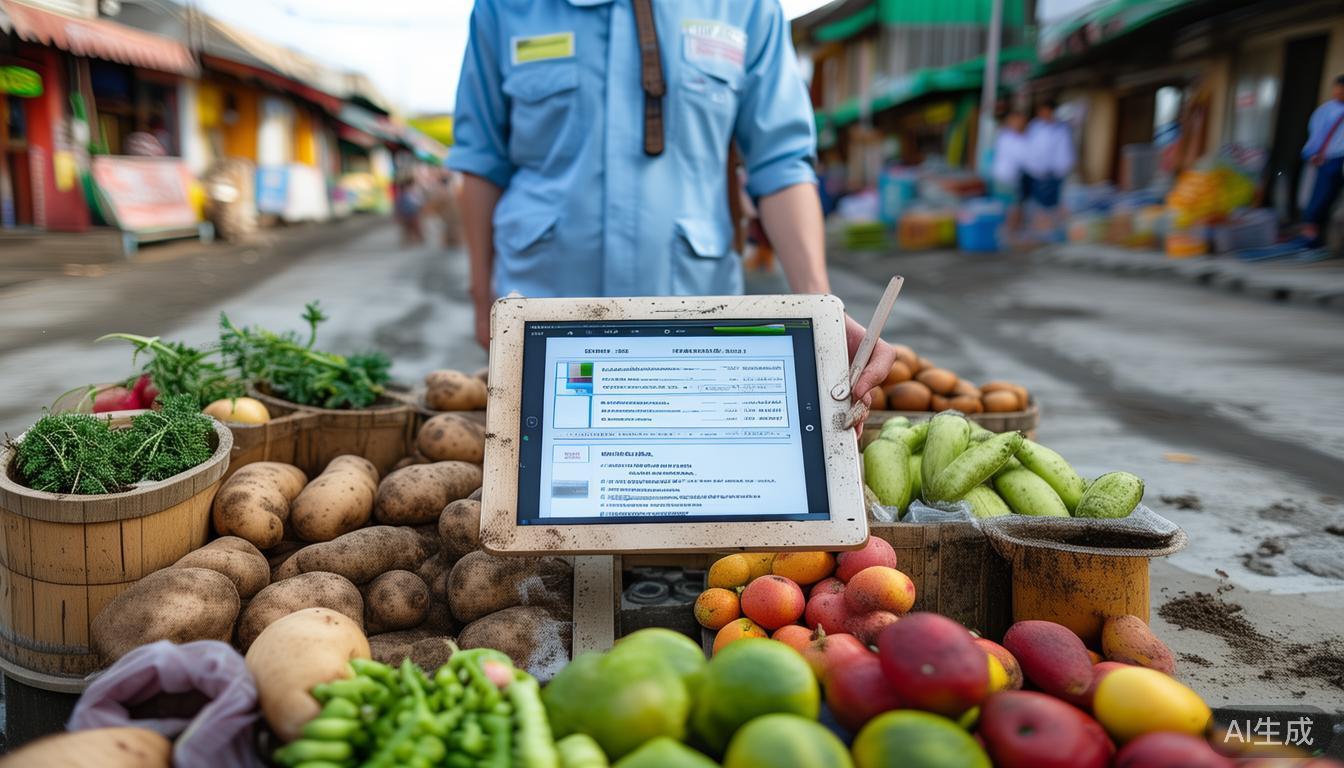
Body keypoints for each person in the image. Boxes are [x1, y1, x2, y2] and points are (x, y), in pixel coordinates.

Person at [449, 0, 894, 410]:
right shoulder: (505, 7)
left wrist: (820, 313)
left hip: (693, 329)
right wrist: (479, 297)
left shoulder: (745, 7)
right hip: (542, 319)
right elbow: (482, 161)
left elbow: (779, 164)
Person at [1299, 75, 1344, 248]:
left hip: (1340, 159)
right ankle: (1311, 237)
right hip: (1330, 159)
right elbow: (1317, 134)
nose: (1339, 93)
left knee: (1333, 199)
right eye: (1337, 89)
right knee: (1321, 196)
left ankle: (1323, 239)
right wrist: (1311, 152)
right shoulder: (1326, 110)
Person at [1022, 98, 1075, 235]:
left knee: (1054, 204)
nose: (1042, 114)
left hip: (1056, 173)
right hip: (1037, 173)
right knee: (1039, 205)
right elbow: (1030, 149)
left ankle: (1052, 232)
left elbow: (1065, 151)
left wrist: (1064, 169)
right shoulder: (1035, 127)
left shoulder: (1061, 128)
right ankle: (1041, 232)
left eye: (1045, 111)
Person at [991, 109, 1029, 232]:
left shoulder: (1010, 136)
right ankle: (1009, 234)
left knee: (1009, 207)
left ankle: (1008, 233)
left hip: (1008, 177)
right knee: (1011, 208)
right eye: (1019, 121)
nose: (1022, 123)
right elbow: (1023, 157)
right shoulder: (1008, 137)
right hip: (1005, 177)